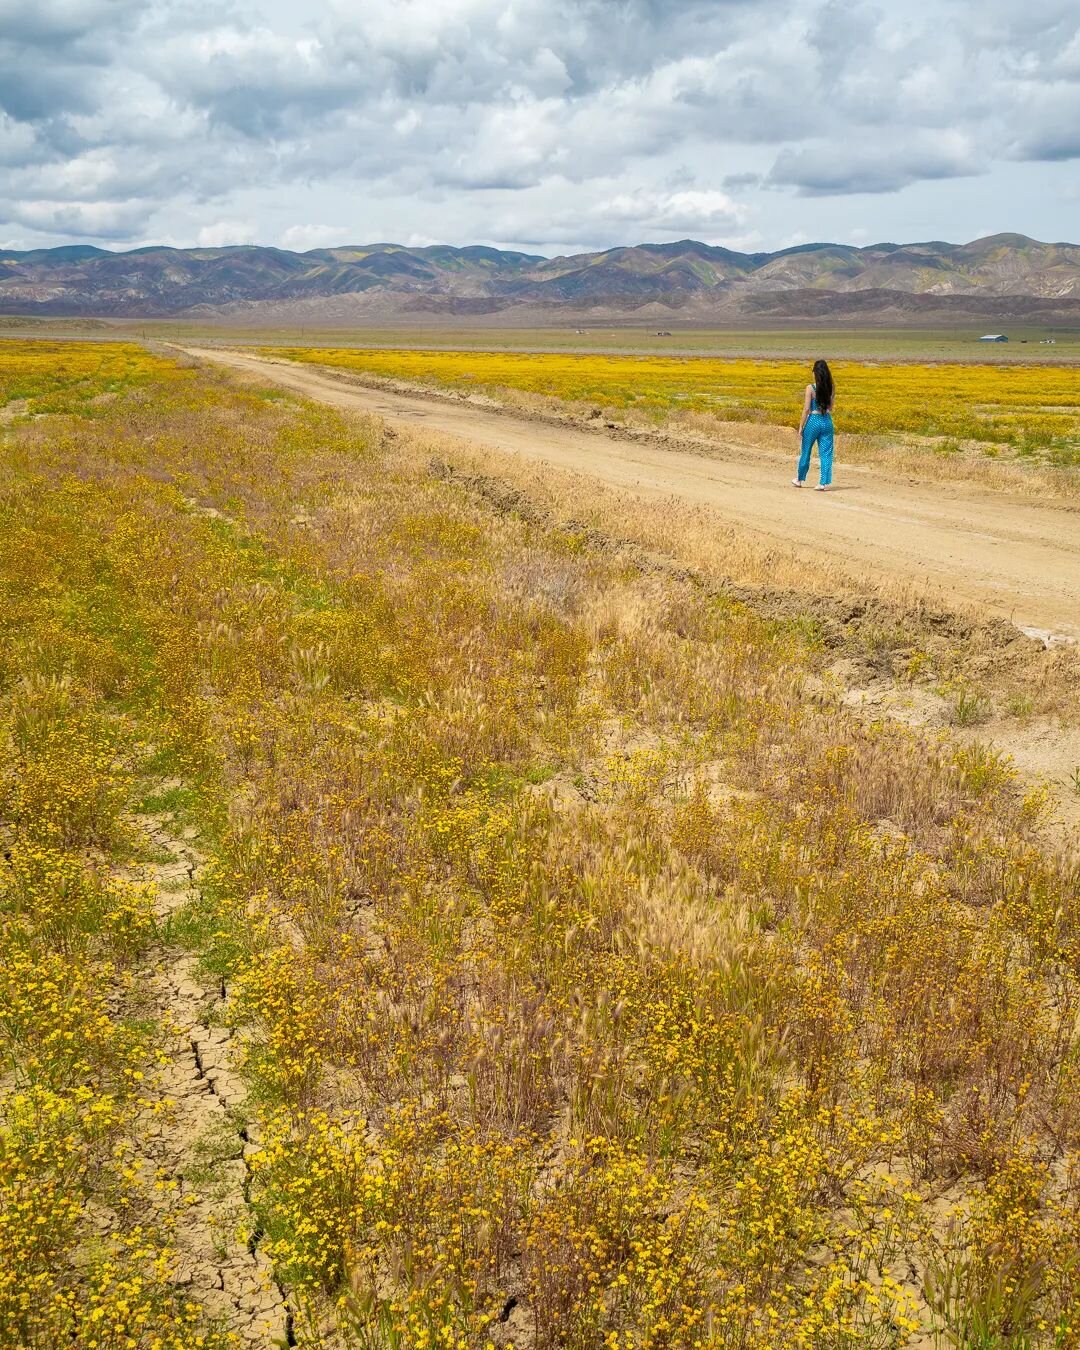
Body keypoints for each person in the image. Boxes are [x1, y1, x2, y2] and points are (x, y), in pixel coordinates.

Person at [792, 359, 835, 490]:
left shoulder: (810, 388)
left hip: (813, 420)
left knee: (806, 451)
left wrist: (801, 427)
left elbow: (806, 409)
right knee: (826, 453)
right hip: (827, 420)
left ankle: (799, 479)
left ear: (816, 373)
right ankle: (823, 483)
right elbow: (831, 407)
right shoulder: (831, 387)